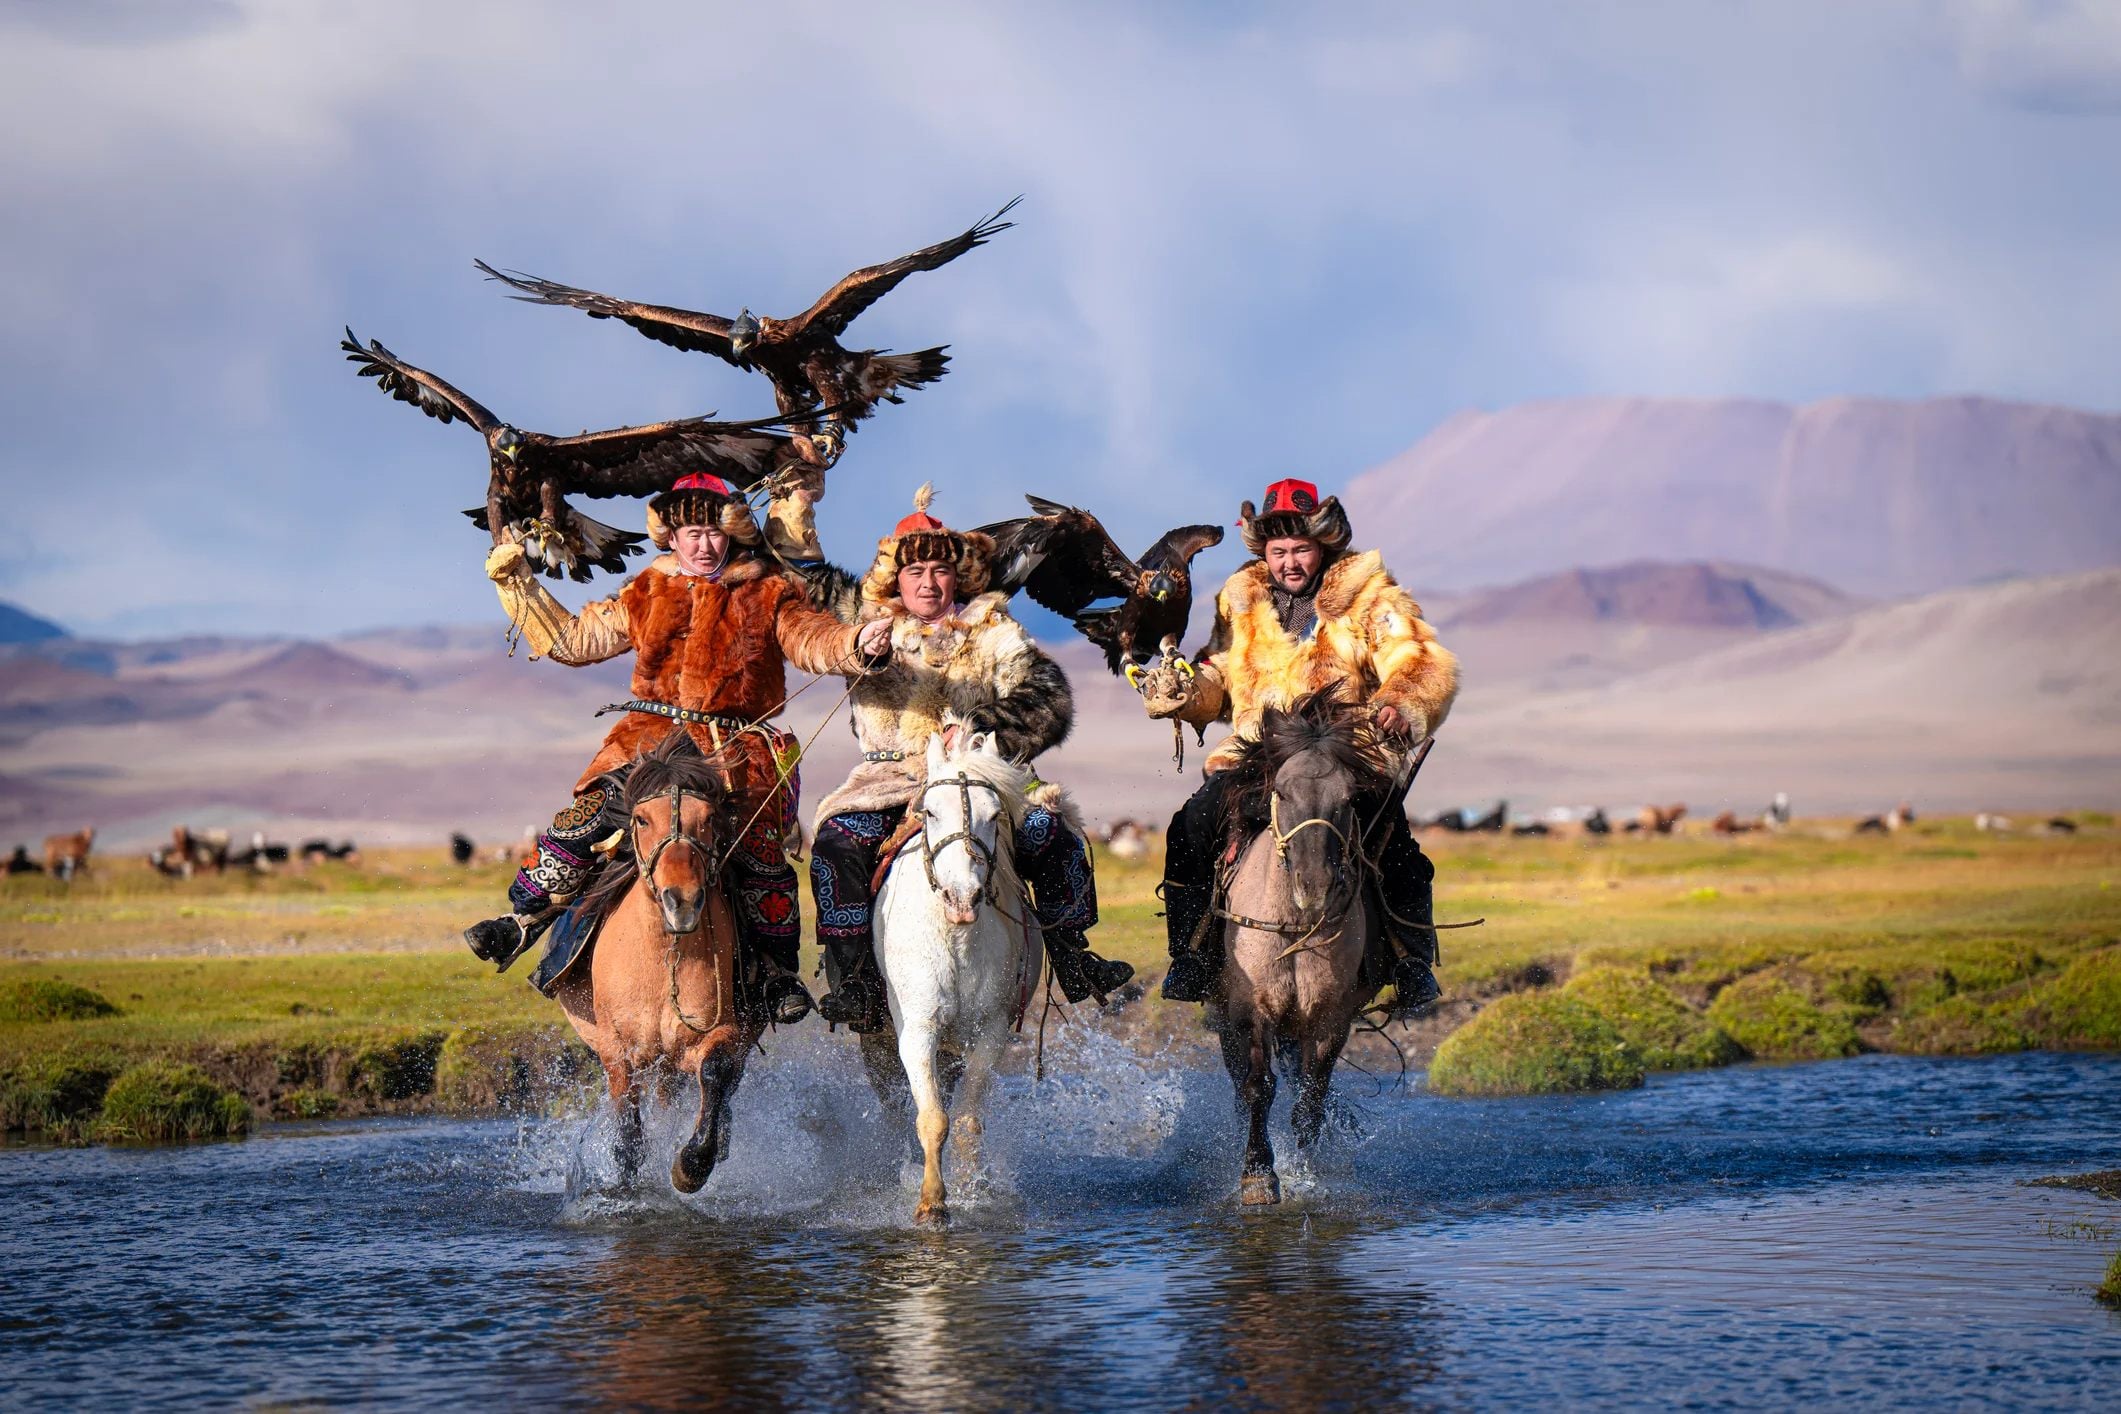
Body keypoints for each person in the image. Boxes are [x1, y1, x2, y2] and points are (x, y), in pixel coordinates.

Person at [461, 470, 891, 1024]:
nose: (703, 544)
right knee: (582, 822)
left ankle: (776, 974)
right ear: (671, 536)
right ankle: (522, 922)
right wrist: (519, 584)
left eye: (713, 533)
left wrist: (857, 641)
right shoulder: (646, 589)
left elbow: (814, 640)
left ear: (732, 532)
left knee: (760, 853)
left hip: (736, 747)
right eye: (691, 533)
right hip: (646, 743)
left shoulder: (770, 589)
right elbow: (573, 641)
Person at [800, 484, 1134, 1032]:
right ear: (895, 580)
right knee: (837, 845)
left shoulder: (993, 628)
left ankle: (1074, 957)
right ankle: (855, 980)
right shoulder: (864, 623)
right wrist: (796, 497)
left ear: (958, 576)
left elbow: (1047, 694)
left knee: (1052, 834)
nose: (928, 584)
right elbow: (802, 572)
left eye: (940, 572)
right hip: (889, 778)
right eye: (915, 574)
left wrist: (981, 729)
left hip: (979, 773)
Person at [1142, 478, 1458, 1014]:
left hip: (1342, 755)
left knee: (1396, 845)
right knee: (1191, 825)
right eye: (1278, 551)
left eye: (1301, 549)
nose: (1289, 562)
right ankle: (1191, 956)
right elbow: (1221, 671)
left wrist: (1400, 701)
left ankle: (1410, 961)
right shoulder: (1241, 602)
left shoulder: (1369, 599)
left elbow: (1417, 658)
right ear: (1264, 551)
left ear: (1324, 546)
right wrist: (1187, 690)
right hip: (1255, 756)